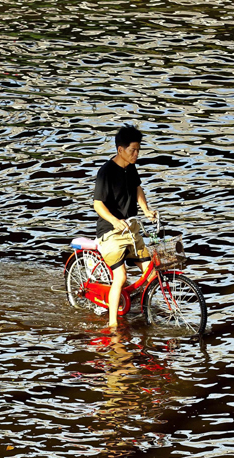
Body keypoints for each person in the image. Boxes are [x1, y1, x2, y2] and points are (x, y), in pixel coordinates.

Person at [93, 125, 157, 329]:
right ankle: (112, 326)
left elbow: (137, 188)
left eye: (138, 150)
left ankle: (145, 309)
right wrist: (113, 220)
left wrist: (146, 211)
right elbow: (97, 204)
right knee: (121, 276)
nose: (136, 154)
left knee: (152, 272)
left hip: (131, 229)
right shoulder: (106, 172)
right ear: (120, 150)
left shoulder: (131, 168)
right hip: (111, 233)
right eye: (133, 150)